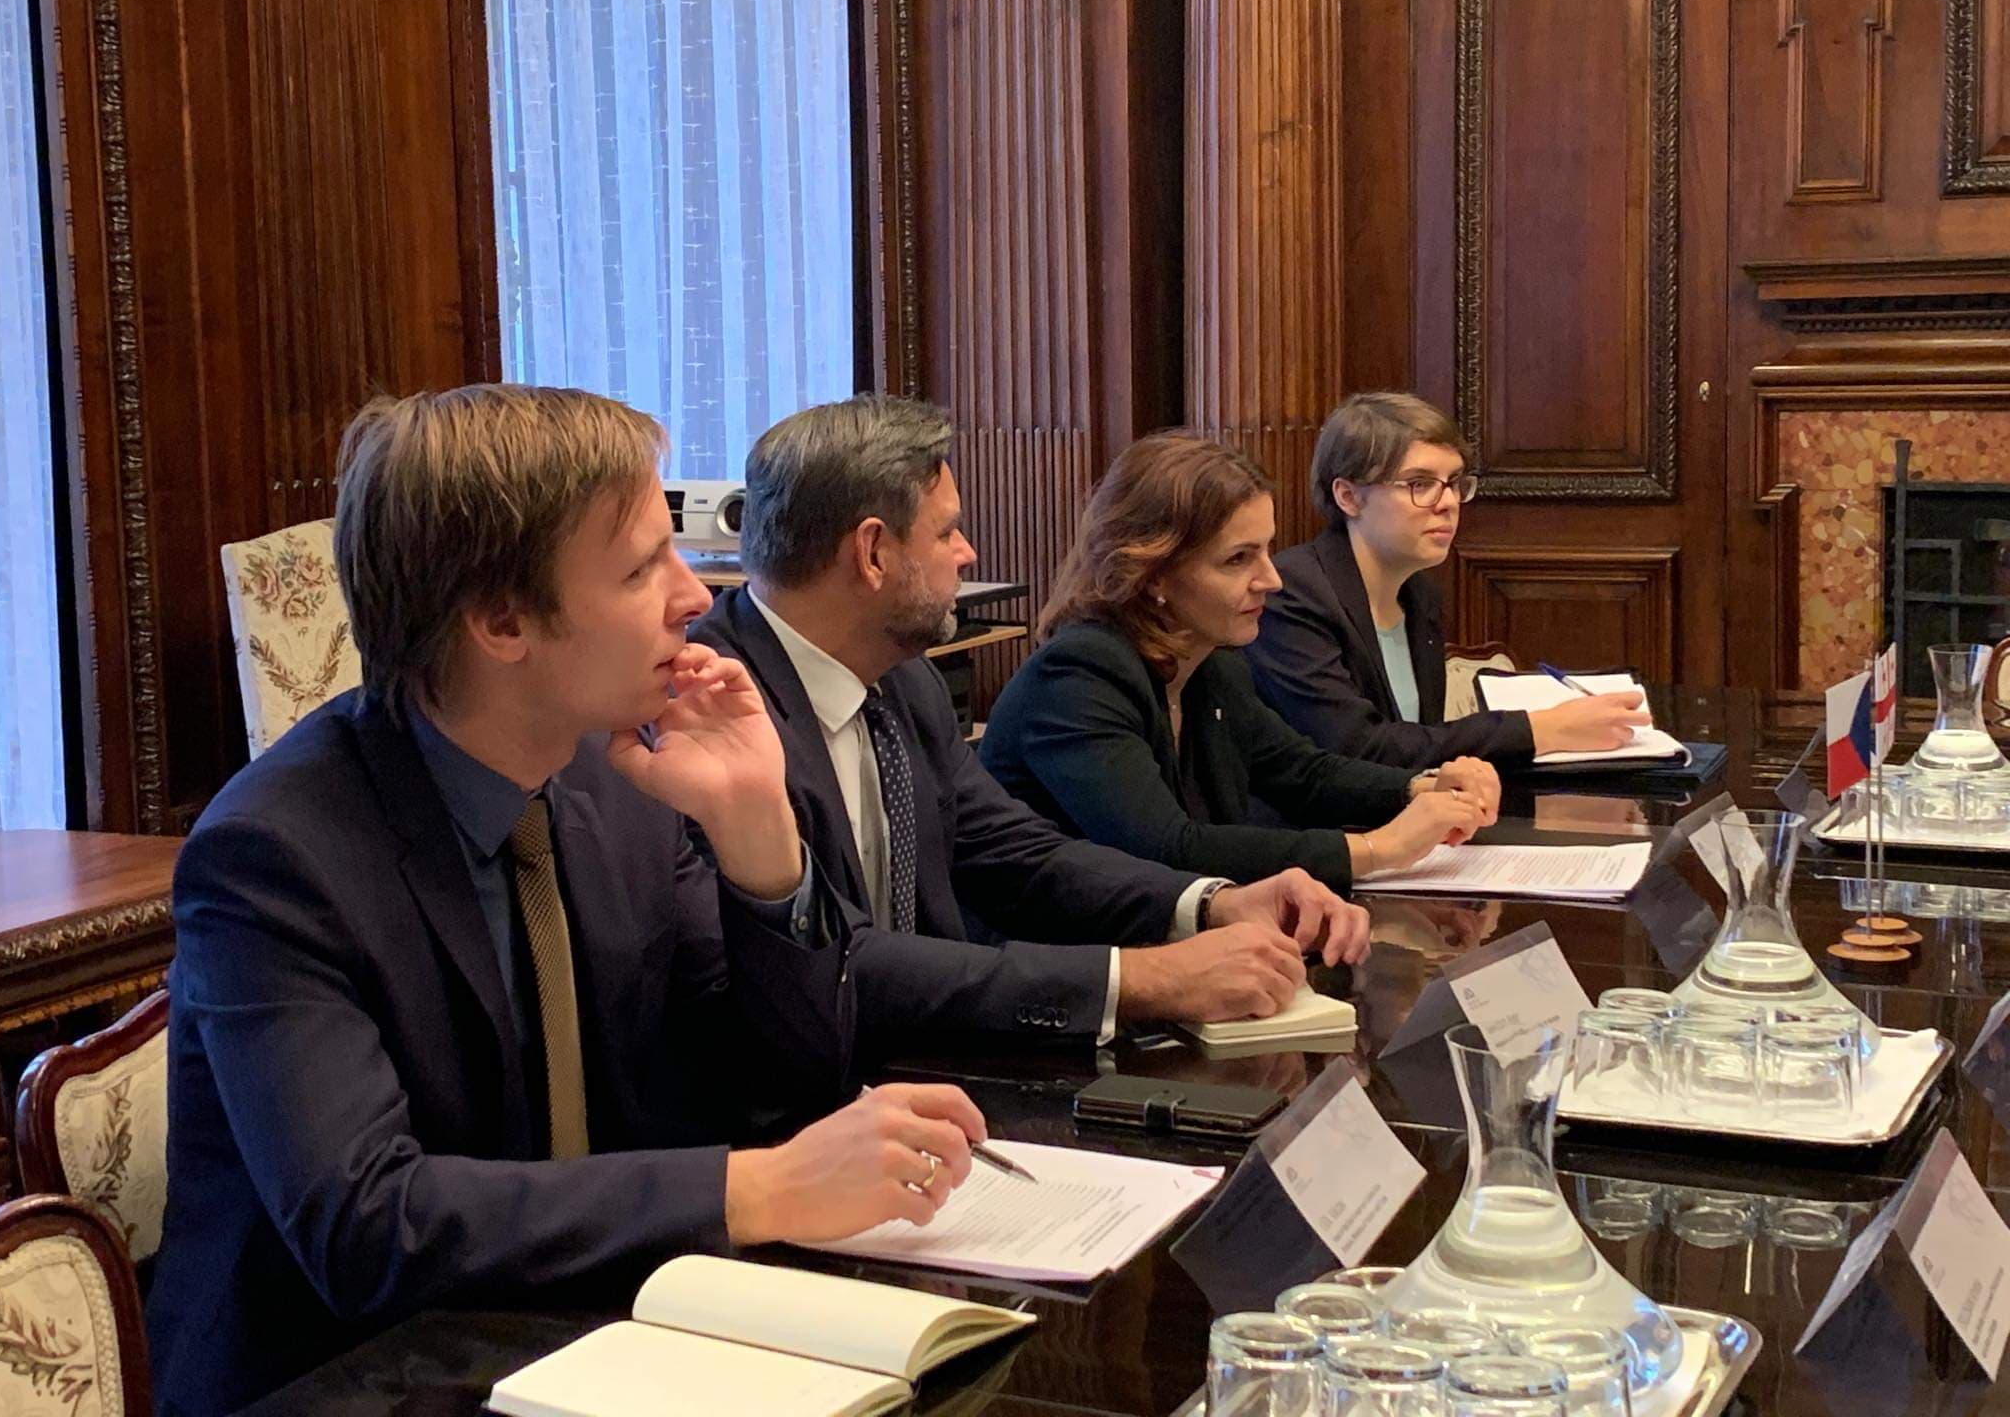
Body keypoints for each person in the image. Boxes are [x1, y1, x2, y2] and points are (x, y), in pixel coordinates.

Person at [148, 385, 988, 1416]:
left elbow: (783, 1087)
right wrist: (754, 1187)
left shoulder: (613, 783)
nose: (694, 596)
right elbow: (370, 1225)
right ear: (502, 619)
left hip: (596, 1339)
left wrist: (759, 838)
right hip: (357, 1382)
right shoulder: (275, 854)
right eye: (641, 568)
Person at [690, 398, 1359, 1055]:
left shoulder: (905, 681)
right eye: (947, 532)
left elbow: (1016, 854)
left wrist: (1209, 903)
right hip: (793, 1101)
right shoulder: (713, 717)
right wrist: (1142, 979)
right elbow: (833, 961)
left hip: (932, 1066)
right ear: (872, 552)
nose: (968, 553)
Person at [981, 433, 1494, 894]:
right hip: (1059, 955)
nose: (1272, 579)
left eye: (1267, 550)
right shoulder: (1078, 675)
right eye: (1238, 559)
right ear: (1153, 574)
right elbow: (1167, 849)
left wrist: (1421, 788)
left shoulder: (1213, 664)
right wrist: (1378, 850)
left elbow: (1303, 774)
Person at [1245, 392, 1648, 766]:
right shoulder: (1292, 595)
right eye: (1420, 484)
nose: (1449, 502)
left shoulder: (1419, 596)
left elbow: (1422, 743)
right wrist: (1541, 730)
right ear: (1348, 497)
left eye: (1454, 483)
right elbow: (1357, 748)